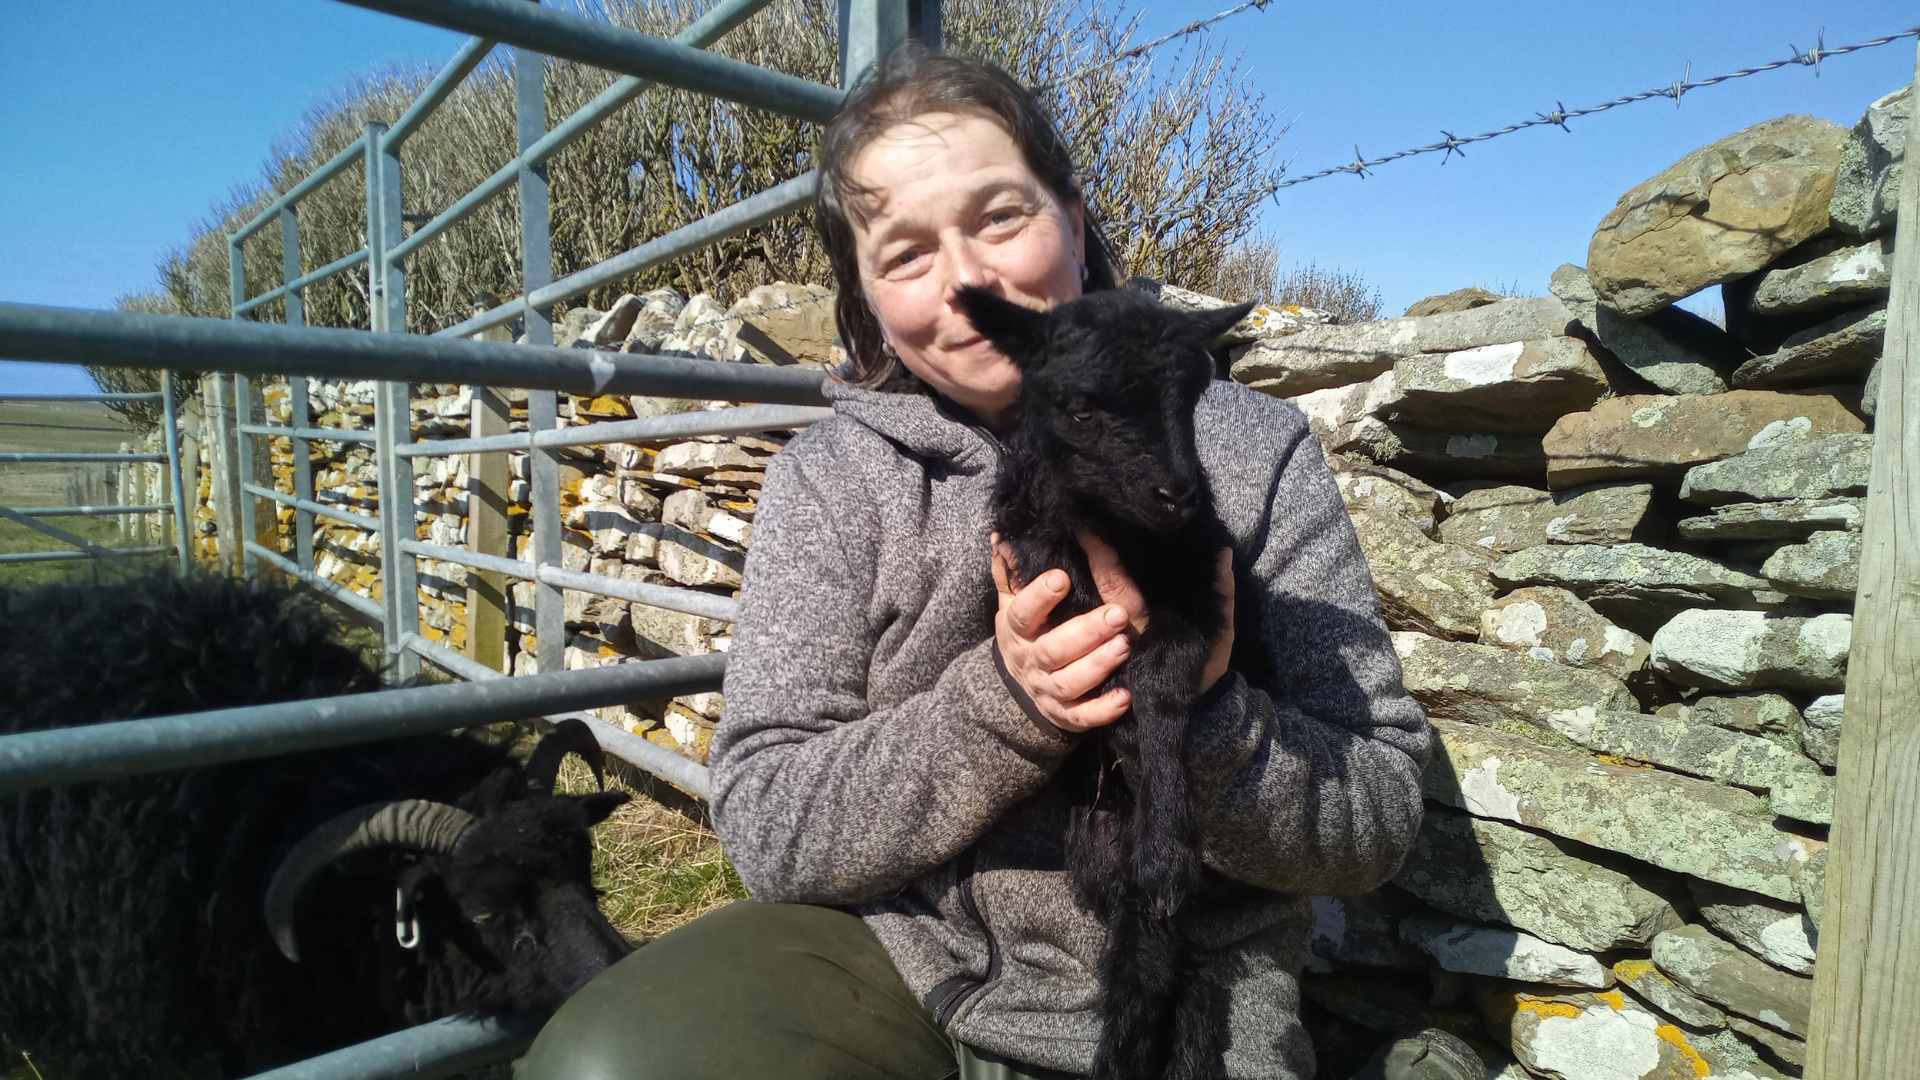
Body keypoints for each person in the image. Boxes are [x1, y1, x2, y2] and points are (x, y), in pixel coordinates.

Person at [517, 42, 1438, 1080]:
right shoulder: (833, 481)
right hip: (904, 968)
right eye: (905, 254)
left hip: (1192, 990)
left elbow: (1374, 820)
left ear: (1077, 223)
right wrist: (1010, 703)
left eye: (1002, 215)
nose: (967, 279)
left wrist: (1207, 704)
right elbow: (769, 826)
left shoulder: (1251, 452)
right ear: (864, 297)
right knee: (611, 1062)